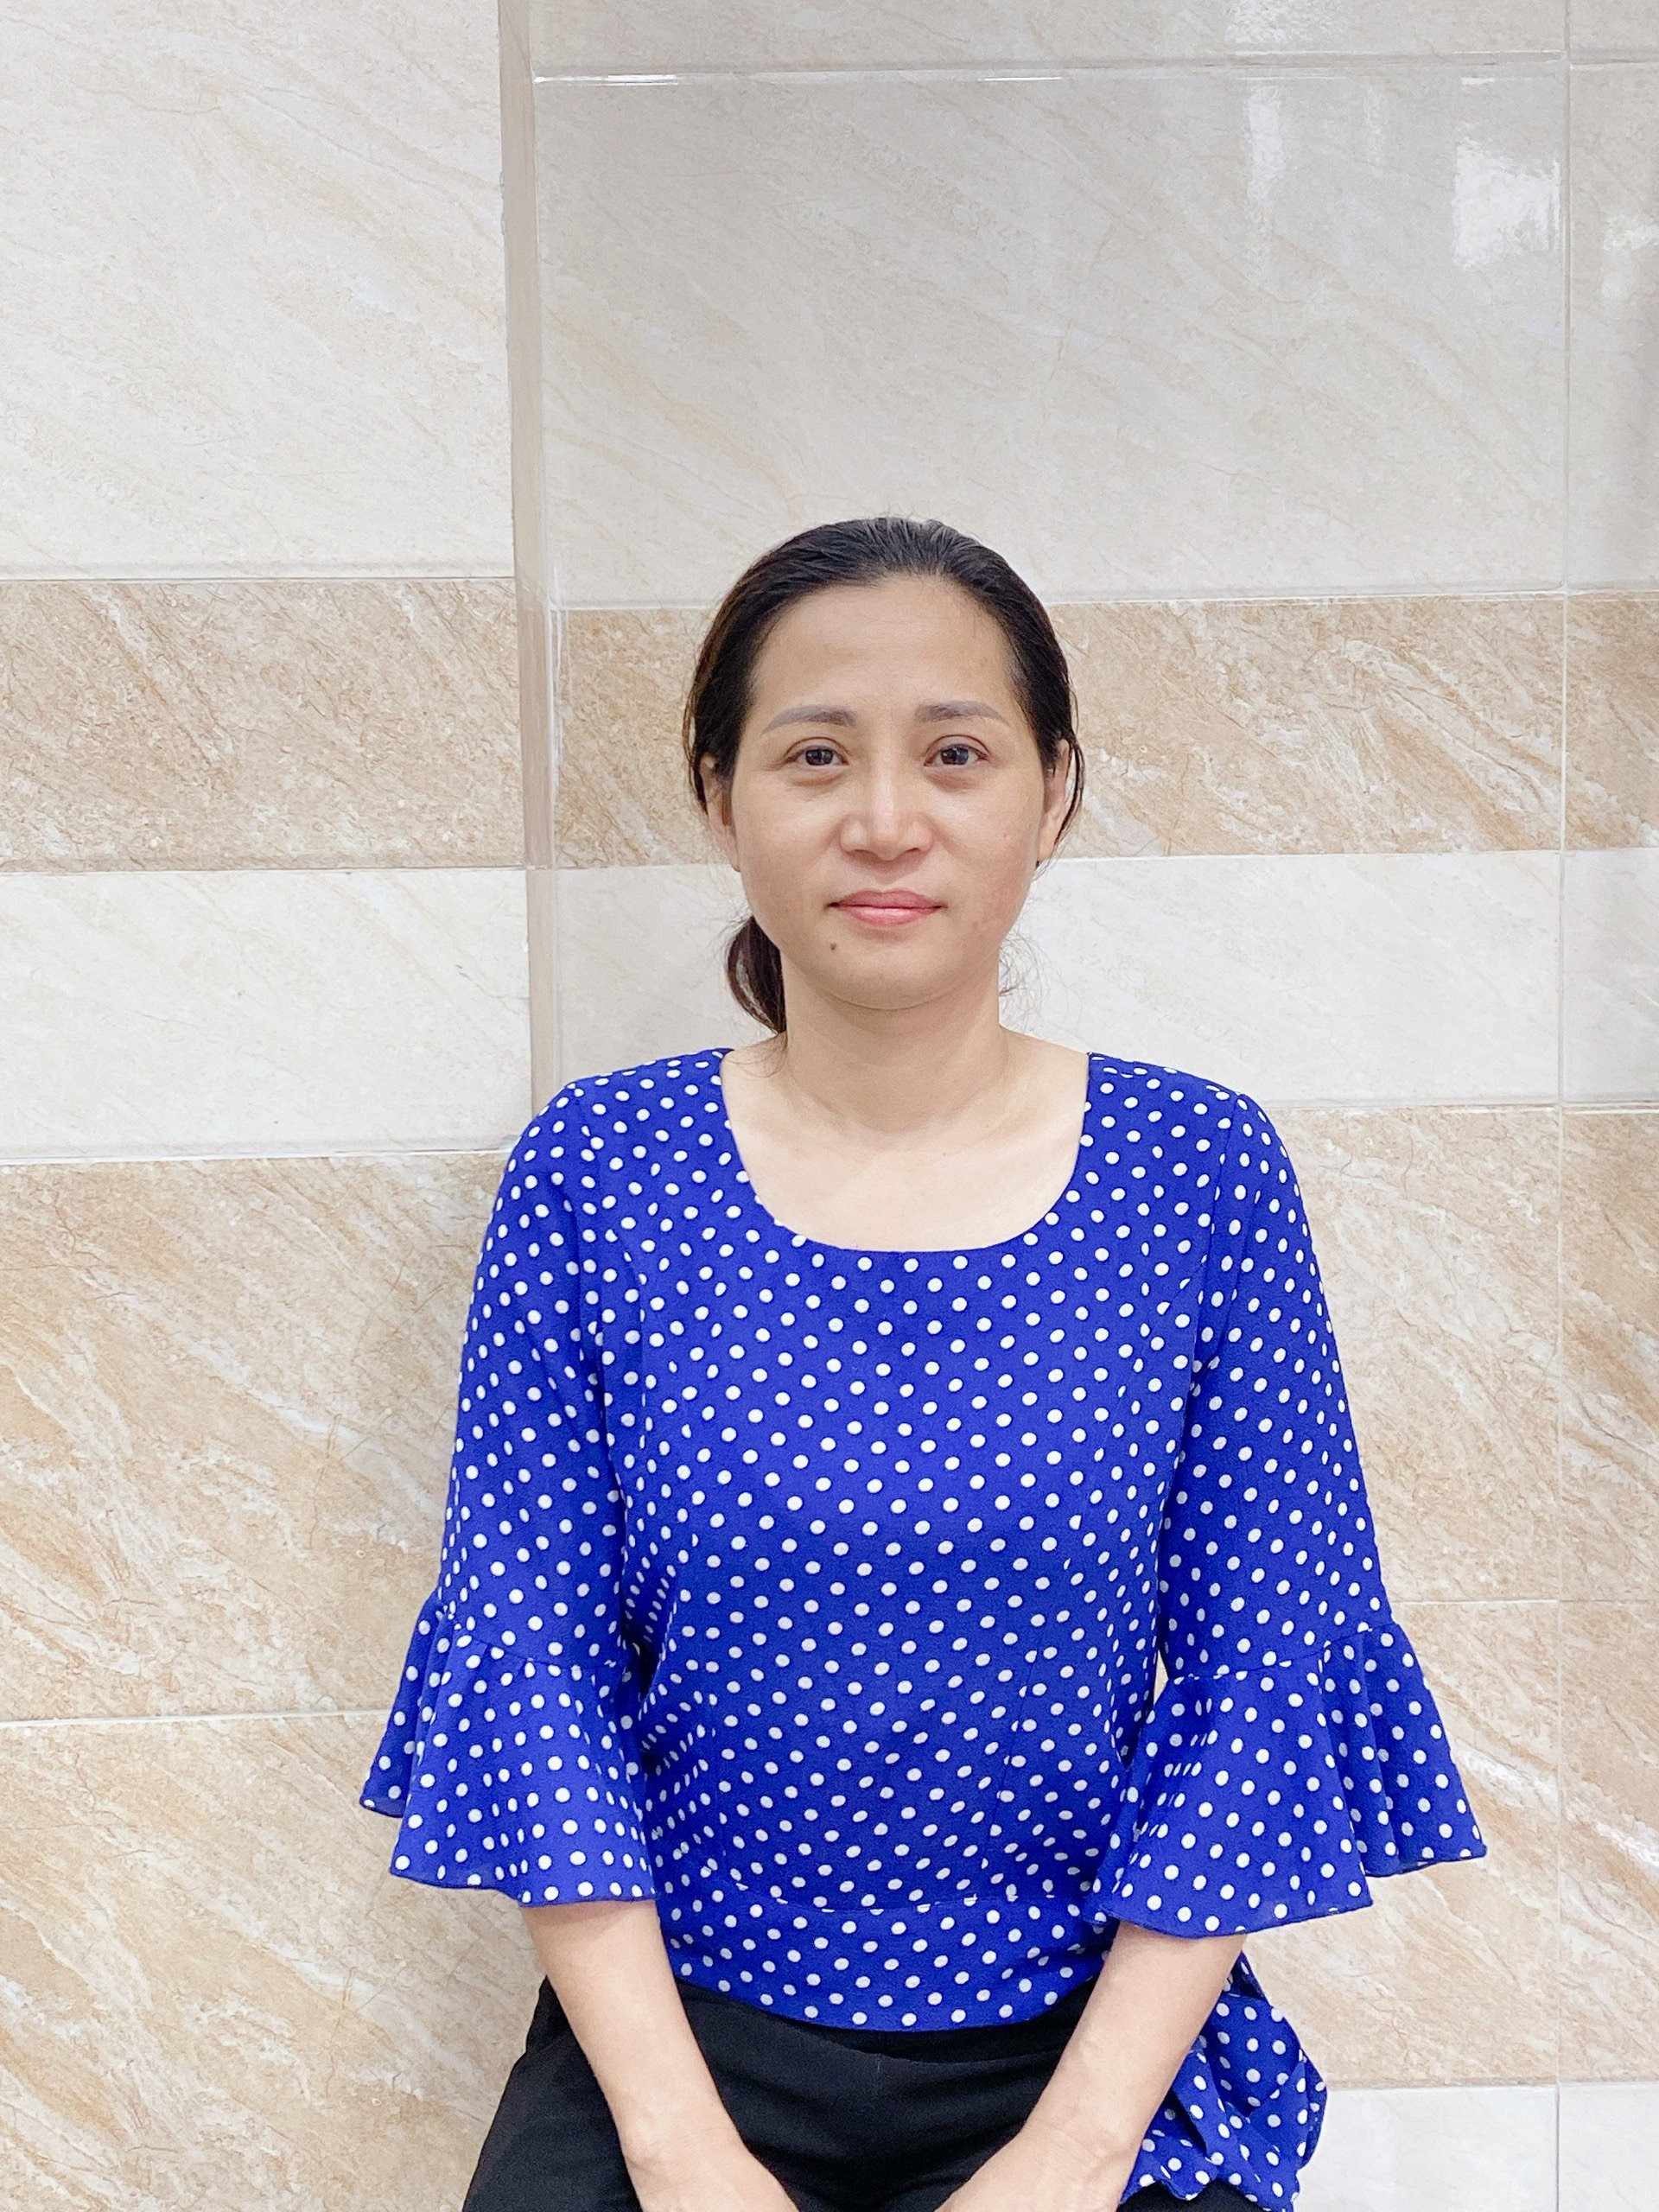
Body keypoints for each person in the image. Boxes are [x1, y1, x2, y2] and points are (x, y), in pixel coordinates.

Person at [359, 516, 1488, 2212]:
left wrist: (1076, 2151)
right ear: (720, 794)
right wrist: (680, 2148)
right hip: (679, 2041)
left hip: (1085, 2047)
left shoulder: (1199, 1173)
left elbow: (1265, 1671)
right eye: (816, 754)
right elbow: (530, 1663)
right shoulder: (596, 1170)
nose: (886, 818)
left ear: (1053, 790)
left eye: (955, 753)